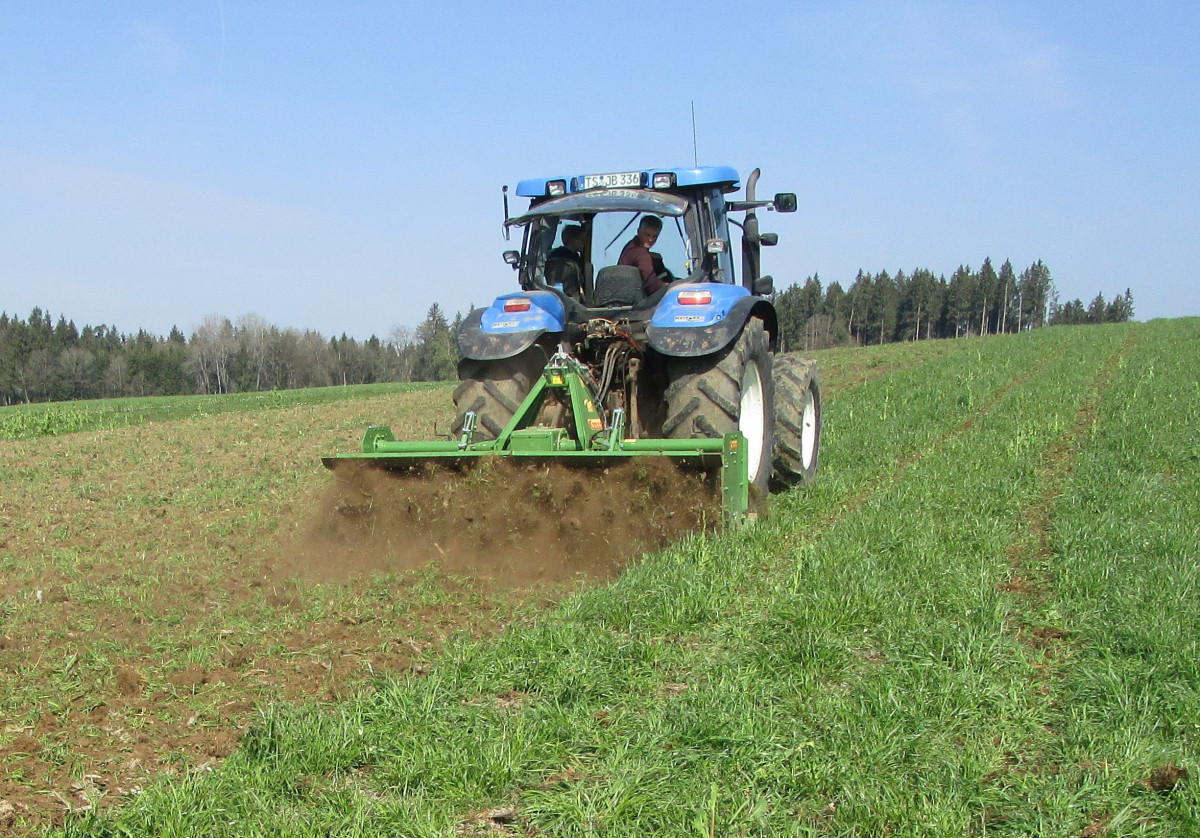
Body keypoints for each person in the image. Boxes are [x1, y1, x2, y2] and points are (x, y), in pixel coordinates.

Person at [618, 215, 671, 295]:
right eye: (647, 235)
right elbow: (651, 282)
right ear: (639, 232)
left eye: (654, 236)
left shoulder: (630, 247)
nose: (651, 239)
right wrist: (668, 286)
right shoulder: (641, 253)